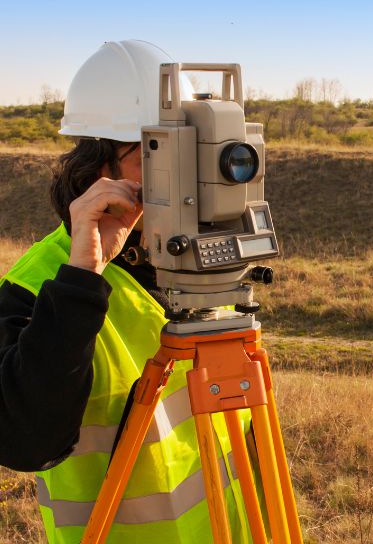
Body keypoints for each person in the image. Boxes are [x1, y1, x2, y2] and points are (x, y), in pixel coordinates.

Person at [0, 40, 254, 543]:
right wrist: (83, 279)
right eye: (158, 156)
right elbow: (23, 441)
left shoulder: (193, 267)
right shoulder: (37, 286)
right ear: (99, 171)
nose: (191, 180)